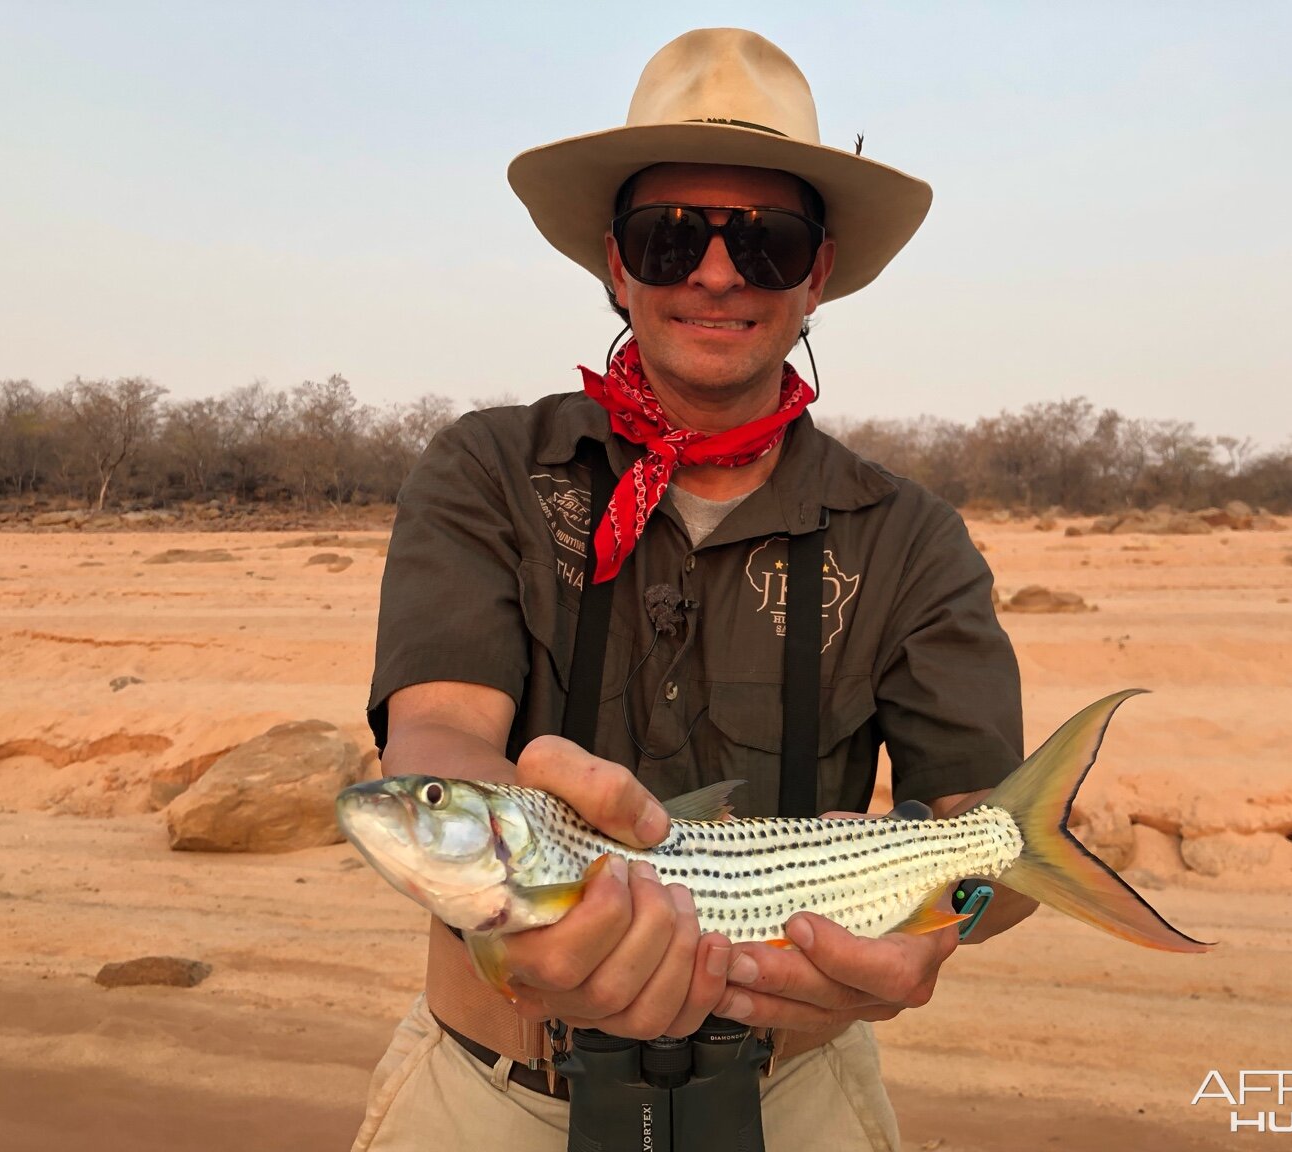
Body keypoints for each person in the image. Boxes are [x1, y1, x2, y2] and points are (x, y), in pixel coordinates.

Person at [353, 27, 1030, 1152]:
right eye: (671, 238)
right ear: (616, 264)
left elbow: (985, 848)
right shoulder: (487, 471)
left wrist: (937, 929)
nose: (716, 273)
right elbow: (434, 727)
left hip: (794, 1098)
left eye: (765, 243)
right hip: (488, 1095)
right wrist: (508, 864)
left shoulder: (911, 539)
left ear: (816, 275)